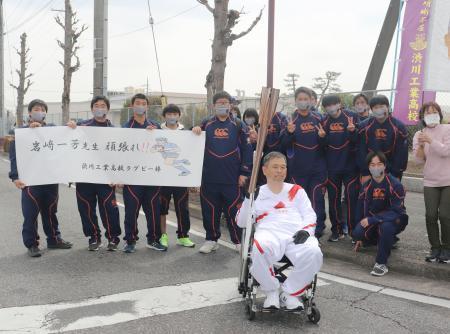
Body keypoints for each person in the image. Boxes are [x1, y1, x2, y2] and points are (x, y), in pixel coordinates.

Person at [236, 152, 323, 310]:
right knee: (259, 249)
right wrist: (249, 197)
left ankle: (290, 293)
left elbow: (309, 214)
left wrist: (306, 231)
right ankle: (272, 291)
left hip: (296, 235)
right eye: (275, 167)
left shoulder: (296, 191)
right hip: (269, 233)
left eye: (283, 167)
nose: (280, 170)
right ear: (264, 170)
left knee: (314, 253)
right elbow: (242, 222)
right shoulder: (257, 193)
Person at [9, 99, 73, 257]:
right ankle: (32, 244)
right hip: (30, 181)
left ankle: (54, 239)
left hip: (50, 180)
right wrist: (15, 177)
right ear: (30, 113)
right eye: (36, 109)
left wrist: (71, 126)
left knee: (51, 211)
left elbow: (67, 139)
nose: (39, 111)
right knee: (30, 213)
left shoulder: (52, 129)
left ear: (45, 113)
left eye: (42, 109)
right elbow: (14, 157)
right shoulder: (21, 133)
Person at [192, 91, 252, 253]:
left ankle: (238, 241)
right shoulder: (206, 124)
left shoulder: (239, 125)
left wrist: (244, 173)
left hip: (232, 178)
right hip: (209, 177)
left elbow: (247, 150)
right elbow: (193, 144)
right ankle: (211, 239)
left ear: (230, 105)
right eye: (219, 103)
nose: (222, 106)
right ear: (213, 106)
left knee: (234, 211)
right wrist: (195, 129)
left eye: (225, 103)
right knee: (210, 210)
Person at [67, 96, 122, 251]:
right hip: (85, 177)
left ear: (107, 109)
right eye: (96, 106)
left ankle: (113, 238)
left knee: (110, 209)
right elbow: (68, 144)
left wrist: (117, 176)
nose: (99, 108)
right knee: (86, 209)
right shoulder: (81, 127)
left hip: (106, 178)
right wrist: (71, 126)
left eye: (103, 106)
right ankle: (94, 237)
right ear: (92, 109)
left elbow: (120, 157)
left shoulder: (114, 131)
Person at [120, 93, 166, 253]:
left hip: (152, 176)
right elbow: (122, 152)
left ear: (147, 106)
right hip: (133, 177)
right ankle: (130, 241)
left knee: (153, 209)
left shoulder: (155, 126)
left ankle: (153, 239)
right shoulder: (126, 127)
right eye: (137, 103)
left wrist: (153, 136)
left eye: (143, 103)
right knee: (131, 210)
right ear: (132, 106)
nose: (140, 105)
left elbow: (162, 148)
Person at [280, 87, 327, 238]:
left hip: (317, 170)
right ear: (295, 101)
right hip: (297, 170)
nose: (302, 102)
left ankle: (316, 232)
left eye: (305, 99)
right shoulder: (290, 120)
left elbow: (326, 145)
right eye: (299, 99)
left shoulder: (319, 119)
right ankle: (299, 232)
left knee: (316, 201)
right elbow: (284, 144)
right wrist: (289, 132)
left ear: (311, 100)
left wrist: (322, 137)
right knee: (298, 203)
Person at [353, 151, 408, 276]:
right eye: (372, 164)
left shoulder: (395, 185)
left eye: (379, 164)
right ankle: (383, 239)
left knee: (386, 227)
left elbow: (396, 211)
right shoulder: (366, 186)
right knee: (357, 232)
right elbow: (360, 209)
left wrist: (374, 220)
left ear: (384, 166)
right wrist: (359, 237)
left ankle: (381, 263)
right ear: (368, 167)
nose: (376, 167)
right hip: (373, 219)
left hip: (394, 219)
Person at [413, 102, 450, 263]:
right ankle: (435, 248)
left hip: (448, 179)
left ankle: (447, 248)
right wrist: (421, 145)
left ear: (440, 114)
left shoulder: (447, 129)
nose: (432, 115)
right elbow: (418, 160)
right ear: (423, 116)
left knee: (445, 215)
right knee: (430, 215)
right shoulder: (419, 134)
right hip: (430, 181)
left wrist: (430, 140)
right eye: (428, 113)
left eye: (435, 112)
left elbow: (446, 151)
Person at [321, 95, 359, 241]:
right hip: (332, 167)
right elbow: (322, 145)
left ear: (339, 104)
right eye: (327, 106)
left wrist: (352, 131)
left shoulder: (352, 117)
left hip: (350, 167)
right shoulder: (324, 121)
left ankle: (353, 231)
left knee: (351, 199)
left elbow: (359, 140)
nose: (331, 107)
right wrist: (322, 137)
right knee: (333, 200)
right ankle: (336, 231)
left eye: (333, 104)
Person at [158, 104, 195, 249]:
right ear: (164, 116)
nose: (172, 117)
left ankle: (183, 236)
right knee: (162, 208)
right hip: (163, 178)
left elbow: (193, 153)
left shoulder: (186, 132)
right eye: (169, 114)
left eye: (175, 114)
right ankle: (163, 235)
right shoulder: (158, 131)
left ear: (179, 116)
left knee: (183, 208)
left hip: (180, 179)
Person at [358, 95, 408, 184]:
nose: (379, 109)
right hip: (370, 168)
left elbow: (401, 153)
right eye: (376, 107)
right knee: (369, 196)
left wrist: (396, 174)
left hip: (392, 170)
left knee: (391, 196)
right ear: (371, 109)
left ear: (387, 107)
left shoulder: (399, 127)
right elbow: (361, 151)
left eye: (381, 106)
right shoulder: (363, 126)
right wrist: (365, 172)